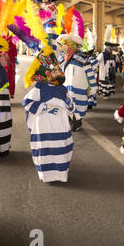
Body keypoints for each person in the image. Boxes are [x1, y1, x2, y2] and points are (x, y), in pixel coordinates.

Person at [22, 46, 75, 183]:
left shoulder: (62, 89)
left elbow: (71, 107)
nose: (59, 72)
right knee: (47, 149)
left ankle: (62, 174)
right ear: (47, 74)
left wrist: (69, 103)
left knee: (62, 149)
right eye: (55, 71)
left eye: (59, 70)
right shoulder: (39, 89)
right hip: (45, 128)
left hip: (61, 126)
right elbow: (26, 102)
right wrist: (46, 108)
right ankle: (47, 176)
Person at [57, 7, 90, 131]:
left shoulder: (82, 58)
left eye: (67, 43)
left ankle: (78, 121)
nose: (64, 46)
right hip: (65, 88)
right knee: (66, 106)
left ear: (74, 45)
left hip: (79, 88)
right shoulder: (61, 58)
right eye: (64, 43)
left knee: (79, 106)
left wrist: (92, 88)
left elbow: (90, 73)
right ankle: (70, 120)